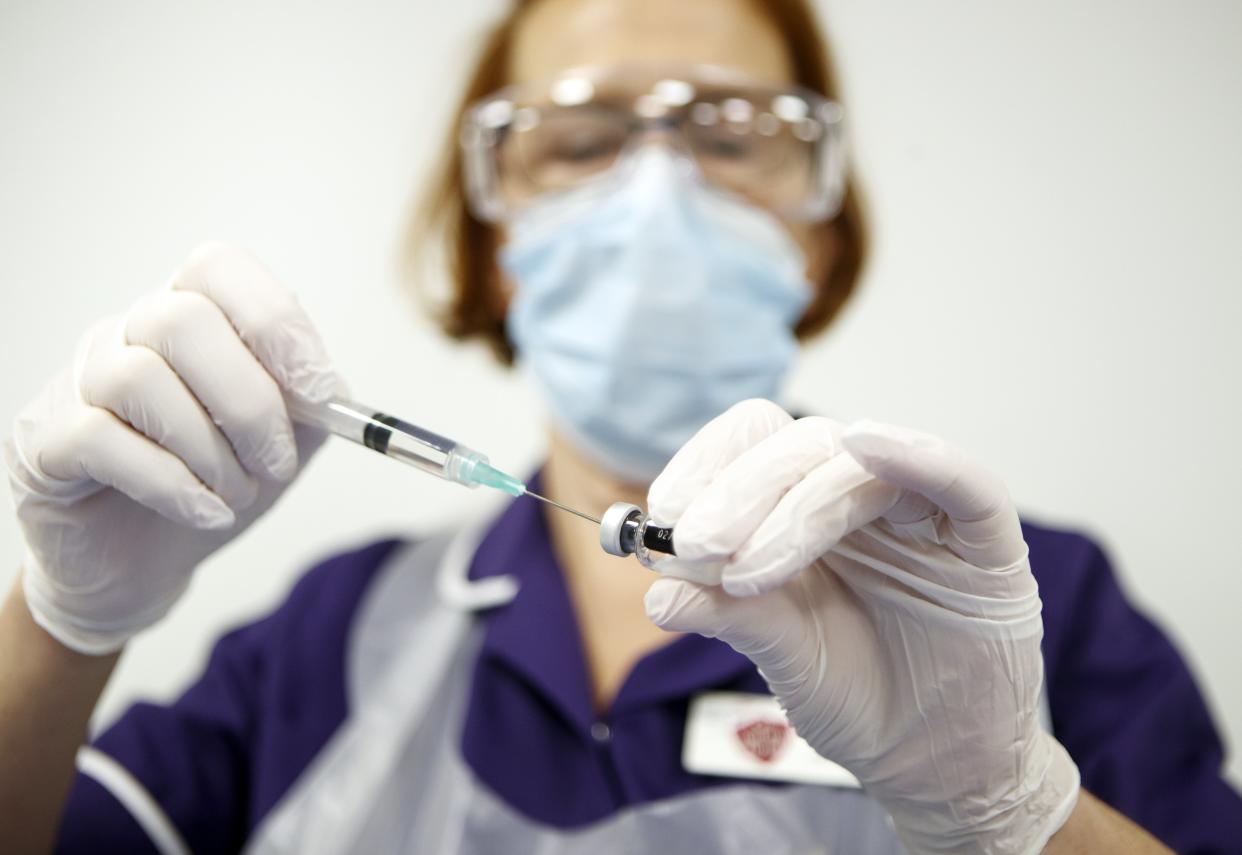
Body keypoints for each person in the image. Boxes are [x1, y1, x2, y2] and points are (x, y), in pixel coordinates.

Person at [1, 0, 1239, 852]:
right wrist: (59, 621)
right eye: (581, 141)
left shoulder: (1014, 607)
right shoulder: (330, 640)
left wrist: (1013, 809)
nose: (657, 192)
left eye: (732, 135)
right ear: (494, 247)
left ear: (819, 233)